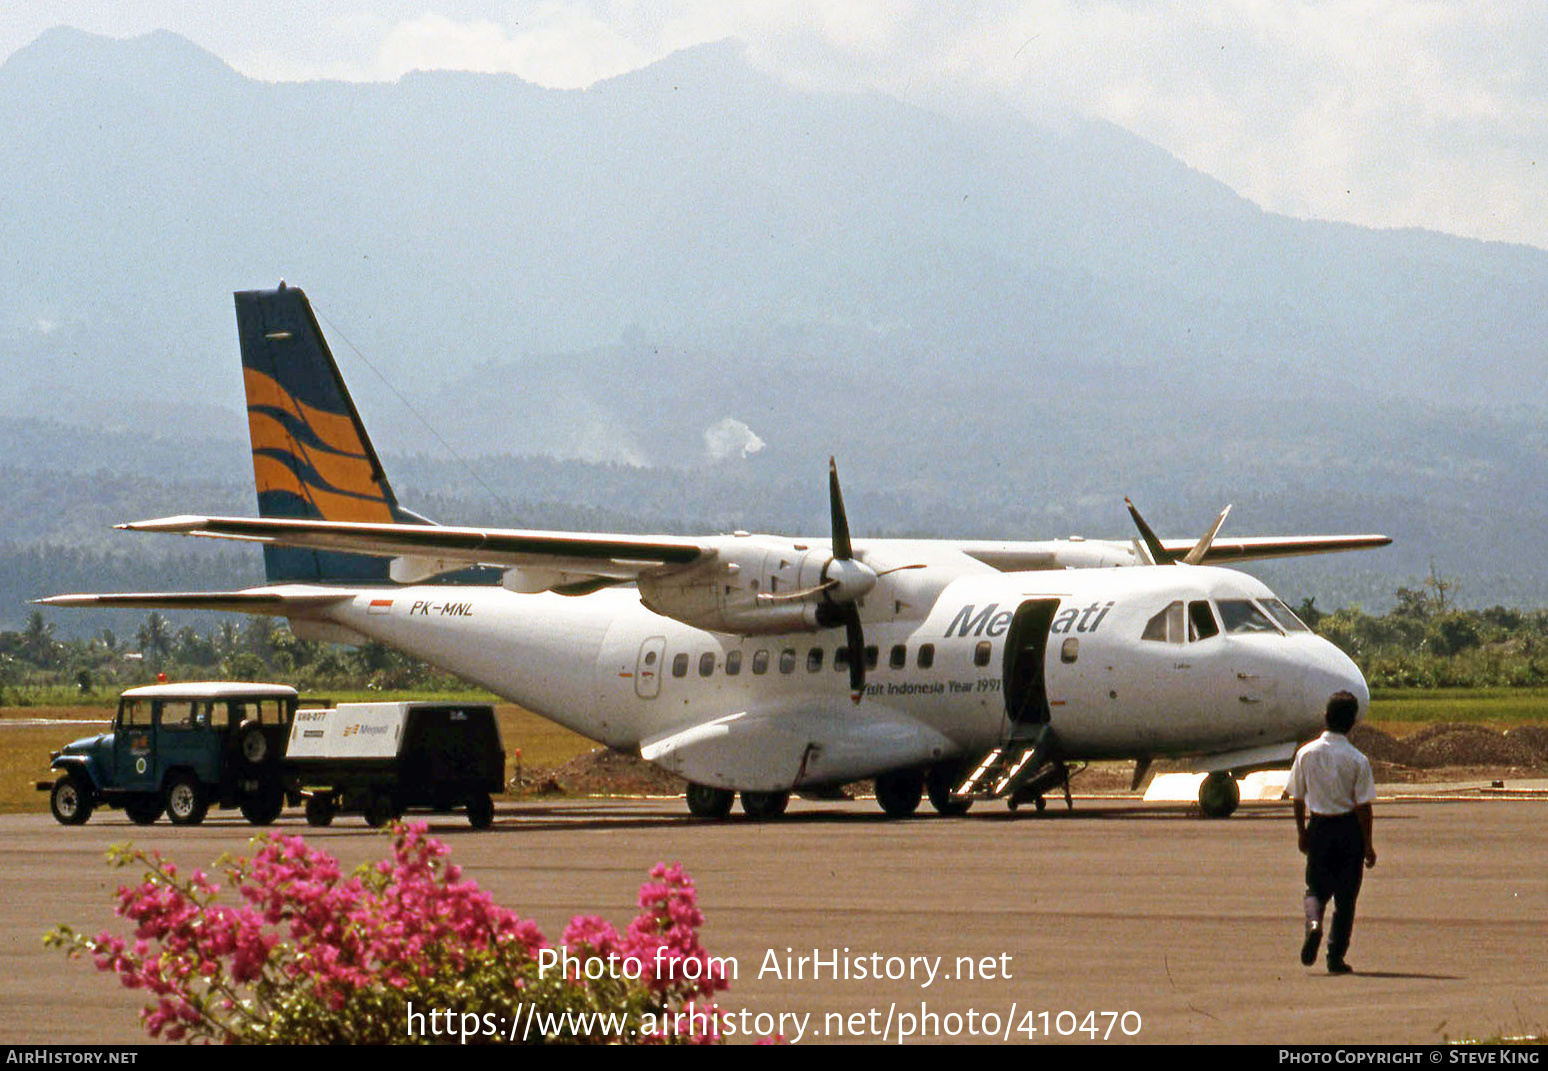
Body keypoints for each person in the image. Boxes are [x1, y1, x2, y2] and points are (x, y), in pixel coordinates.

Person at [1288, 690, 1377, 974]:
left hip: (1319, 827)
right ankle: (1335, 957)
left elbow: (1297, 797)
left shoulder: (1305, 753)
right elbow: (1364, 807)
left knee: (1315, 888)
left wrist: (1302, 831)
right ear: (1352, 723)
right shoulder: (1357, 759)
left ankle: (1313, 924)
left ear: (1325, 717)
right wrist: (1368, 844)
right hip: (1348, 829)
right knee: (1346, 899)